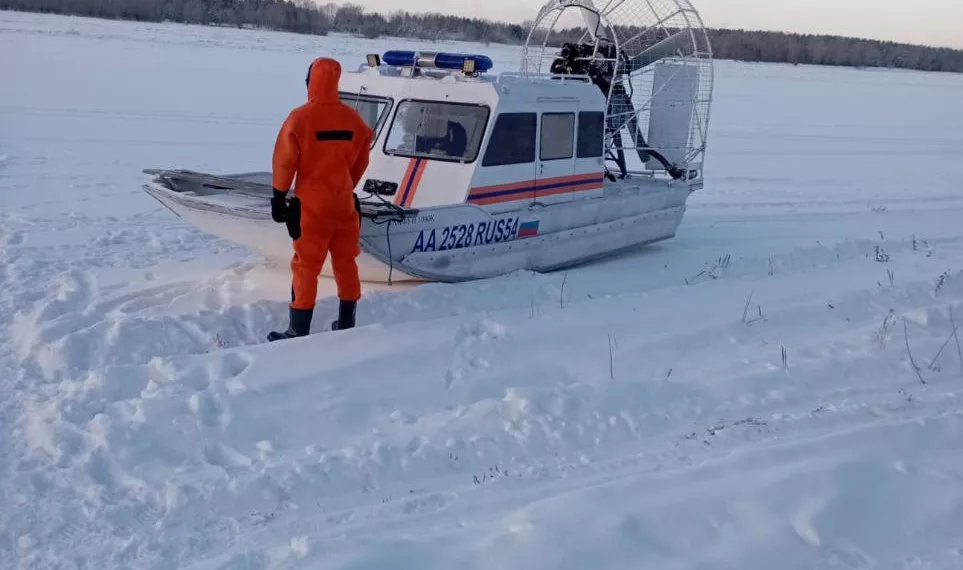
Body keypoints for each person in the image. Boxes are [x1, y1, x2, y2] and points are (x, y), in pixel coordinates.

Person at [267, 57, 373, 342]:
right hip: (344, 204)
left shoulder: (300, 118)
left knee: (306, 266)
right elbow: (362, 159)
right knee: (346, 263)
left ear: (310, 81)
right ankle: (346, 322)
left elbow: (285, 161)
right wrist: (346, 183)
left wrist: (279, 196)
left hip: (311, 208)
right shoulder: (354, 120)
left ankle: (298, 329)